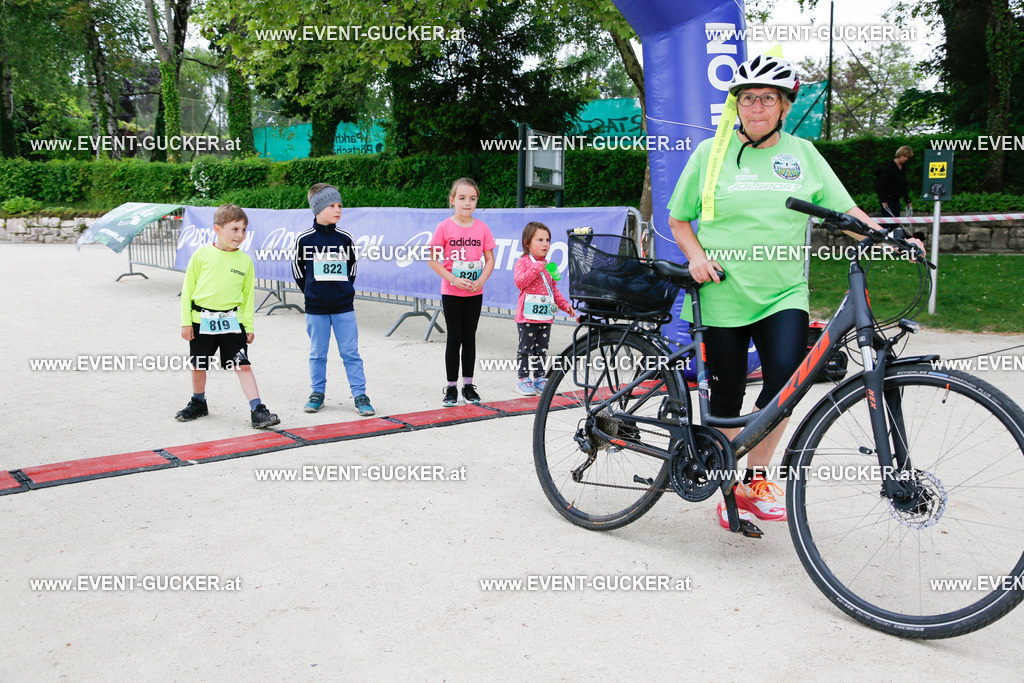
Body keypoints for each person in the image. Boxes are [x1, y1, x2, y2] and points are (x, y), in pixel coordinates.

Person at [667, 54, 893, 529]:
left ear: (785, 106)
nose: (756, 106)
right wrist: (695, 257)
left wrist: (888, 237)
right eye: (747, 98)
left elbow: (846, 210)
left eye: (768, 98)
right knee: (725, 401)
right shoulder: (710, 154)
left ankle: (757, 480)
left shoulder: (804, 154)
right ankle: (726, 485)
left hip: (782, 293)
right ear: (737, 105)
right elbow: (678, 218)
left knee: (784, 388)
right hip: (721, 293)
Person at [176, 204, 280, 429]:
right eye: (234, 229)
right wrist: (186, 322)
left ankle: (258, 410)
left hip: (233, 323)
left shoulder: (245, 262)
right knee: (198, 365)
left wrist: (248, 326)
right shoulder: (201, 255)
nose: (240, 235)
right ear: (217, 229)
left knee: (242, 364)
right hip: (201, 322)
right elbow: (188, 291)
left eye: (243, 230)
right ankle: (198, 402)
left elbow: (247, 297)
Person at [292, 183, 375, 416]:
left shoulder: (345, 239)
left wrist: (344, 290)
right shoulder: (304, 240)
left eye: (340, 205)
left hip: (343, 308)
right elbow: (298, 271)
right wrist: (311, 292)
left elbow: (352, 268)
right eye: (331, 205)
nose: (338, 209)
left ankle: (360, 394)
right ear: (317, 208)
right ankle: (317, 393)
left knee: (350, 352)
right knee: (317, 353)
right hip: (316, 309)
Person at [428, 178, 496, 406]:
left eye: (473, 198)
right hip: (452, 292)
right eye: (462, 198)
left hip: (475, 293)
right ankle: (451, 388)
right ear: (452, 200)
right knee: (454, 337)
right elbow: (433, 260)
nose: (468, 203)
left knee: (470, 338)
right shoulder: (444, 227)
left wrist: (481, 281)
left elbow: (489, 260)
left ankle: (468, 385)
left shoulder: (482, 228)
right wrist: (454, 279)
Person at [513, 222, 574, 395]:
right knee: (526, 348)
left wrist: (565, 305)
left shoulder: (550, 265)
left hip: (545, 316)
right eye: (540, 240)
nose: (545, 244)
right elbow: (520, 282)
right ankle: (523, 379)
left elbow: (554, 289)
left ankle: (540, 377)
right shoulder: (523, 262)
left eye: (547, 240)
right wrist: (535, 268)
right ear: (527, 242)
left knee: (541, 349)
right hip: (527, 316)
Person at [875, 145, 914, 217]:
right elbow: (881, 184)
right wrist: (883, 200)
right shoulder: (889, 166)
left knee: (896, 220)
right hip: (887, 198)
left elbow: (903, 185)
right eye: (904, 156)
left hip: (896, 198)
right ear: (900, 155)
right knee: (888, 220)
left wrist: (908, 201)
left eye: (907, 157)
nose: (906, 159)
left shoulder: (903, 167)